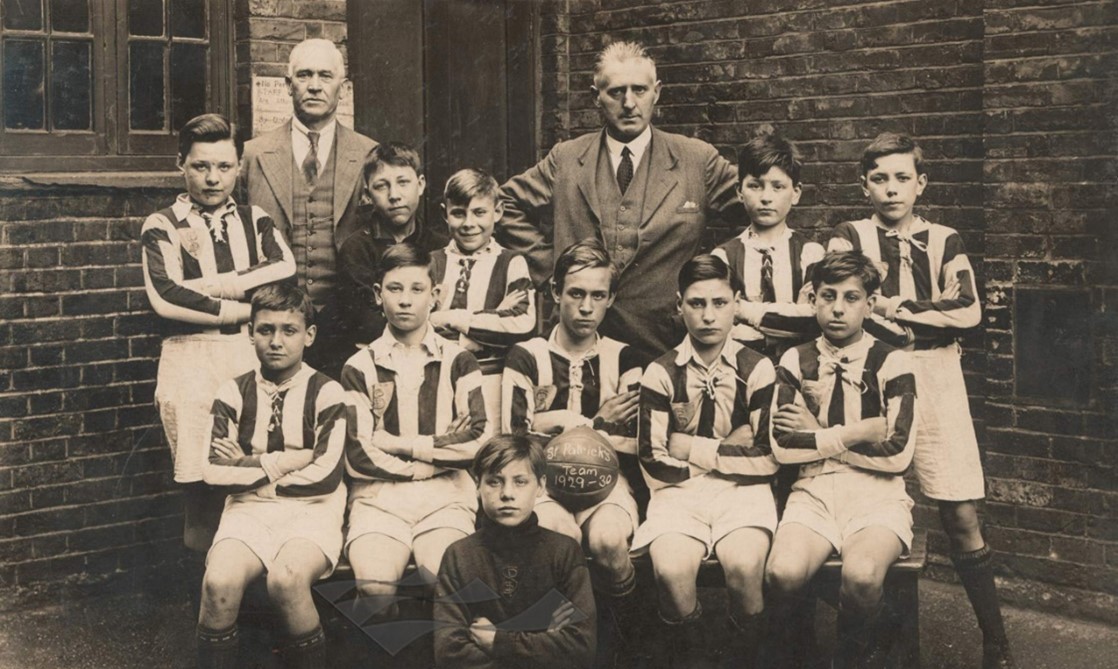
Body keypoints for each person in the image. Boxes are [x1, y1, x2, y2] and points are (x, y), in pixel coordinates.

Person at [828, 133, 1014, 668]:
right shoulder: (848, 236)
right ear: (864, 185)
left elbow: (967, 311)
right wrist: (902, 320)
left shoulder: (945, 239)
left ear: (921, 183)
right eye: (880, 178)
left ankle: (995, 639)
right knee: (863, 502)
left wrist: (895, 306)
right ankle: (872, 636)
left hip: (937, 373)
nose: (892, 189)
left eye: (903, 177)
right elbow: (845, 306)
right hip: (867, 372)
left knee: (959, 510)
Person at [498, 41, 742, 364]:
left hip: (666, 343)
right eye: (616, 92)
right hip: (583, 345)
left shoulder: (697, 160)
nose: (629, 103)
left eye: (639, 90)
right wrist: (556, 270)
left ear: (657, 92)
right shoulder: (567, 159)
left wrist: (710, 275)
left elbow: (758, 208)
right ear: (595, 96)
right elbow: (504, 205)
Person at [141, 113, 295, 552]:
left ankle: (250, 601)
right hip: (189, 360)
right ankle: (209, 612)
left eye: (224, 167)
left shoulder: (256, 218)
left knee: (253, 477)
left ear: (238, 167)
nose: (213, 178)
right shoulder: (161, 224)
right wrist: (245, 309)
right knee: (202, 490)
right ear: (181, 165)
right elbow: (166, 298)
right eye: (200, 166)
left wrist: (209, 286)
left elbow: (283, 268)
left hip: (249, 357)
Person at [765, 251, 917, 669]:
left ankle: (854, 658)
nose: (837, 308)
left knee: (862, 576)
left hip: (877, 496)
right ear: (812, 299)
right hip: (813, 491)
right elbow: (781, 446)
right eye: (827, 296)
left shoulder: (893, 360)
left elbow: (898, 454)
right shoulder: (795, 359)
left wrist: (816, 430)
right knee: (783, 573)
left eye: (851, 298)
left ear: (870, 304)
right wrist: (856, 431)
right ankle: (803, 654)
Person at [634, 254, 778, 667]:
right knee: (672, 572)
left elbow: (768, 458)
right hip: (678, 494)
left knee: (746, 567)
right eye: (697, 303)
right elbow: (653, 463)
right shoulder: (661, 372)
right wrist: (730, 448)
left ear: (736, 303)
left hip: (744, 492)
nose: (709, 316)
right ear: (679, 306)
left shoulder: (758, 368)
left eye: (719, 302)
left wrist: (692, 448)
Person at [501, 238, 643, 653]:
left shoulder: (626, 358)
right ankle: (564, 651)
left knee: (609, 542)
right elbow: (517, 439)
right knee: (557, 540)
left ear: (611, 298)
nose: (586, 307)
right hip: (544, 487)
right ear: (555, 293)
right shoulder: (526, 356)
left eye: (598, 296)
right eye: (576, 293)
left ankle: (619, 647)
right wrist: (594, 423)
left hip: (608, 484)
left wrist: (553, 424)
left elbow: (633, 441)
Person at [196, 284, 348, 669]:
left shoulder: (328, 392)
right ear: (250, 333)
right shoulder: (233, 391)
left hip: (311, 510)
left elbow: (327, 474)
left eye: (289, 330)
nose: (276, 341)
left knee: (287, 578)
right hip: (248, 510)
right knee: (218, 583)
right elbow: (213, 473)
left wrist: (248, 462)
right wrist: (286, 461)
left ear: (308, 335)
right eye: (265, 330)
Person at [342, 243, 492, 624]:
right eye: (394, 289)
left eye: (416, 289)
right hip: (378, 498)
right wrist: (435, 455)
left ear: (435, 295)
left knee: (446, 580)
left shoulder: (459, 360)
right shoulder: (359, 366)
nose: (405, 301)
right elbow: (359, 456)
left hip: (445, 497)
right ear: (378, 295)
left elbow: (476, 443)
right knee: (374, 590)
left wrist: (400, 444)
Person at [240, 38, 377, 378]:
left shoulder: (369, 155)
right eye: (304, 75)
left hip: (345, 320)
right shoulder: (254, 155)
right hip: (275, 322)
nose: (314, 86)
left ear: (341, 88)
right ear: (288, 85)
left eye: (325, 76)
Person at [433, 435, 597, 669]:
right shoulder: (459, 555)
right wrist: (543, 647)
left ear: (540, 486)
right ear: (477, 485)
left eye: (520, 481)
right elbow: (450, 654)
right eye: (494, 482)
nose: (507, 493)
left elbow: (581, 649)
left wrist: (499, 642)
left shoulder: (564, 552)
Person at [430, 168, 537, 421]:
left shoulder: (512, 263)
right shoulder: (431, 263)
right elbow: (416, 325)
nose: (469, 224)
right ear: (444, 213)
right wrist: (493, 319)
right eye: (458, 213)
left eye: (479, 212)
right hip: (438, 381)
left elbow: (521, 323)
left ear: (497, 212)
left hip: (492, 383)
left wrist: (448, 318)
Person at [712, 128, 823, 359]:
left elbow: (814, 320)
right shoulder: (723, 257)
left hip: (800, 369)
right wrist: (789, 315)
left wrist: (744, 312)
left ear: (796, 193)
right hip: (740, 370)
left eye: (778, 186)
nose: (766, 197)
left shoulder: (811, 254)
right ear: (739, 192)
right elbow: (721, 323)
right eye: (755, 185)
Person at [338, 141, 448, 347]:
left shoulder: (440, 245)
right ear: (368, 194)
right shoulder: (357, 248)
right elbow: (365, 322)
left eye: (403, 182)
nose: (394, 195)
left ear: (421, 185)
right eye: (381, 186)